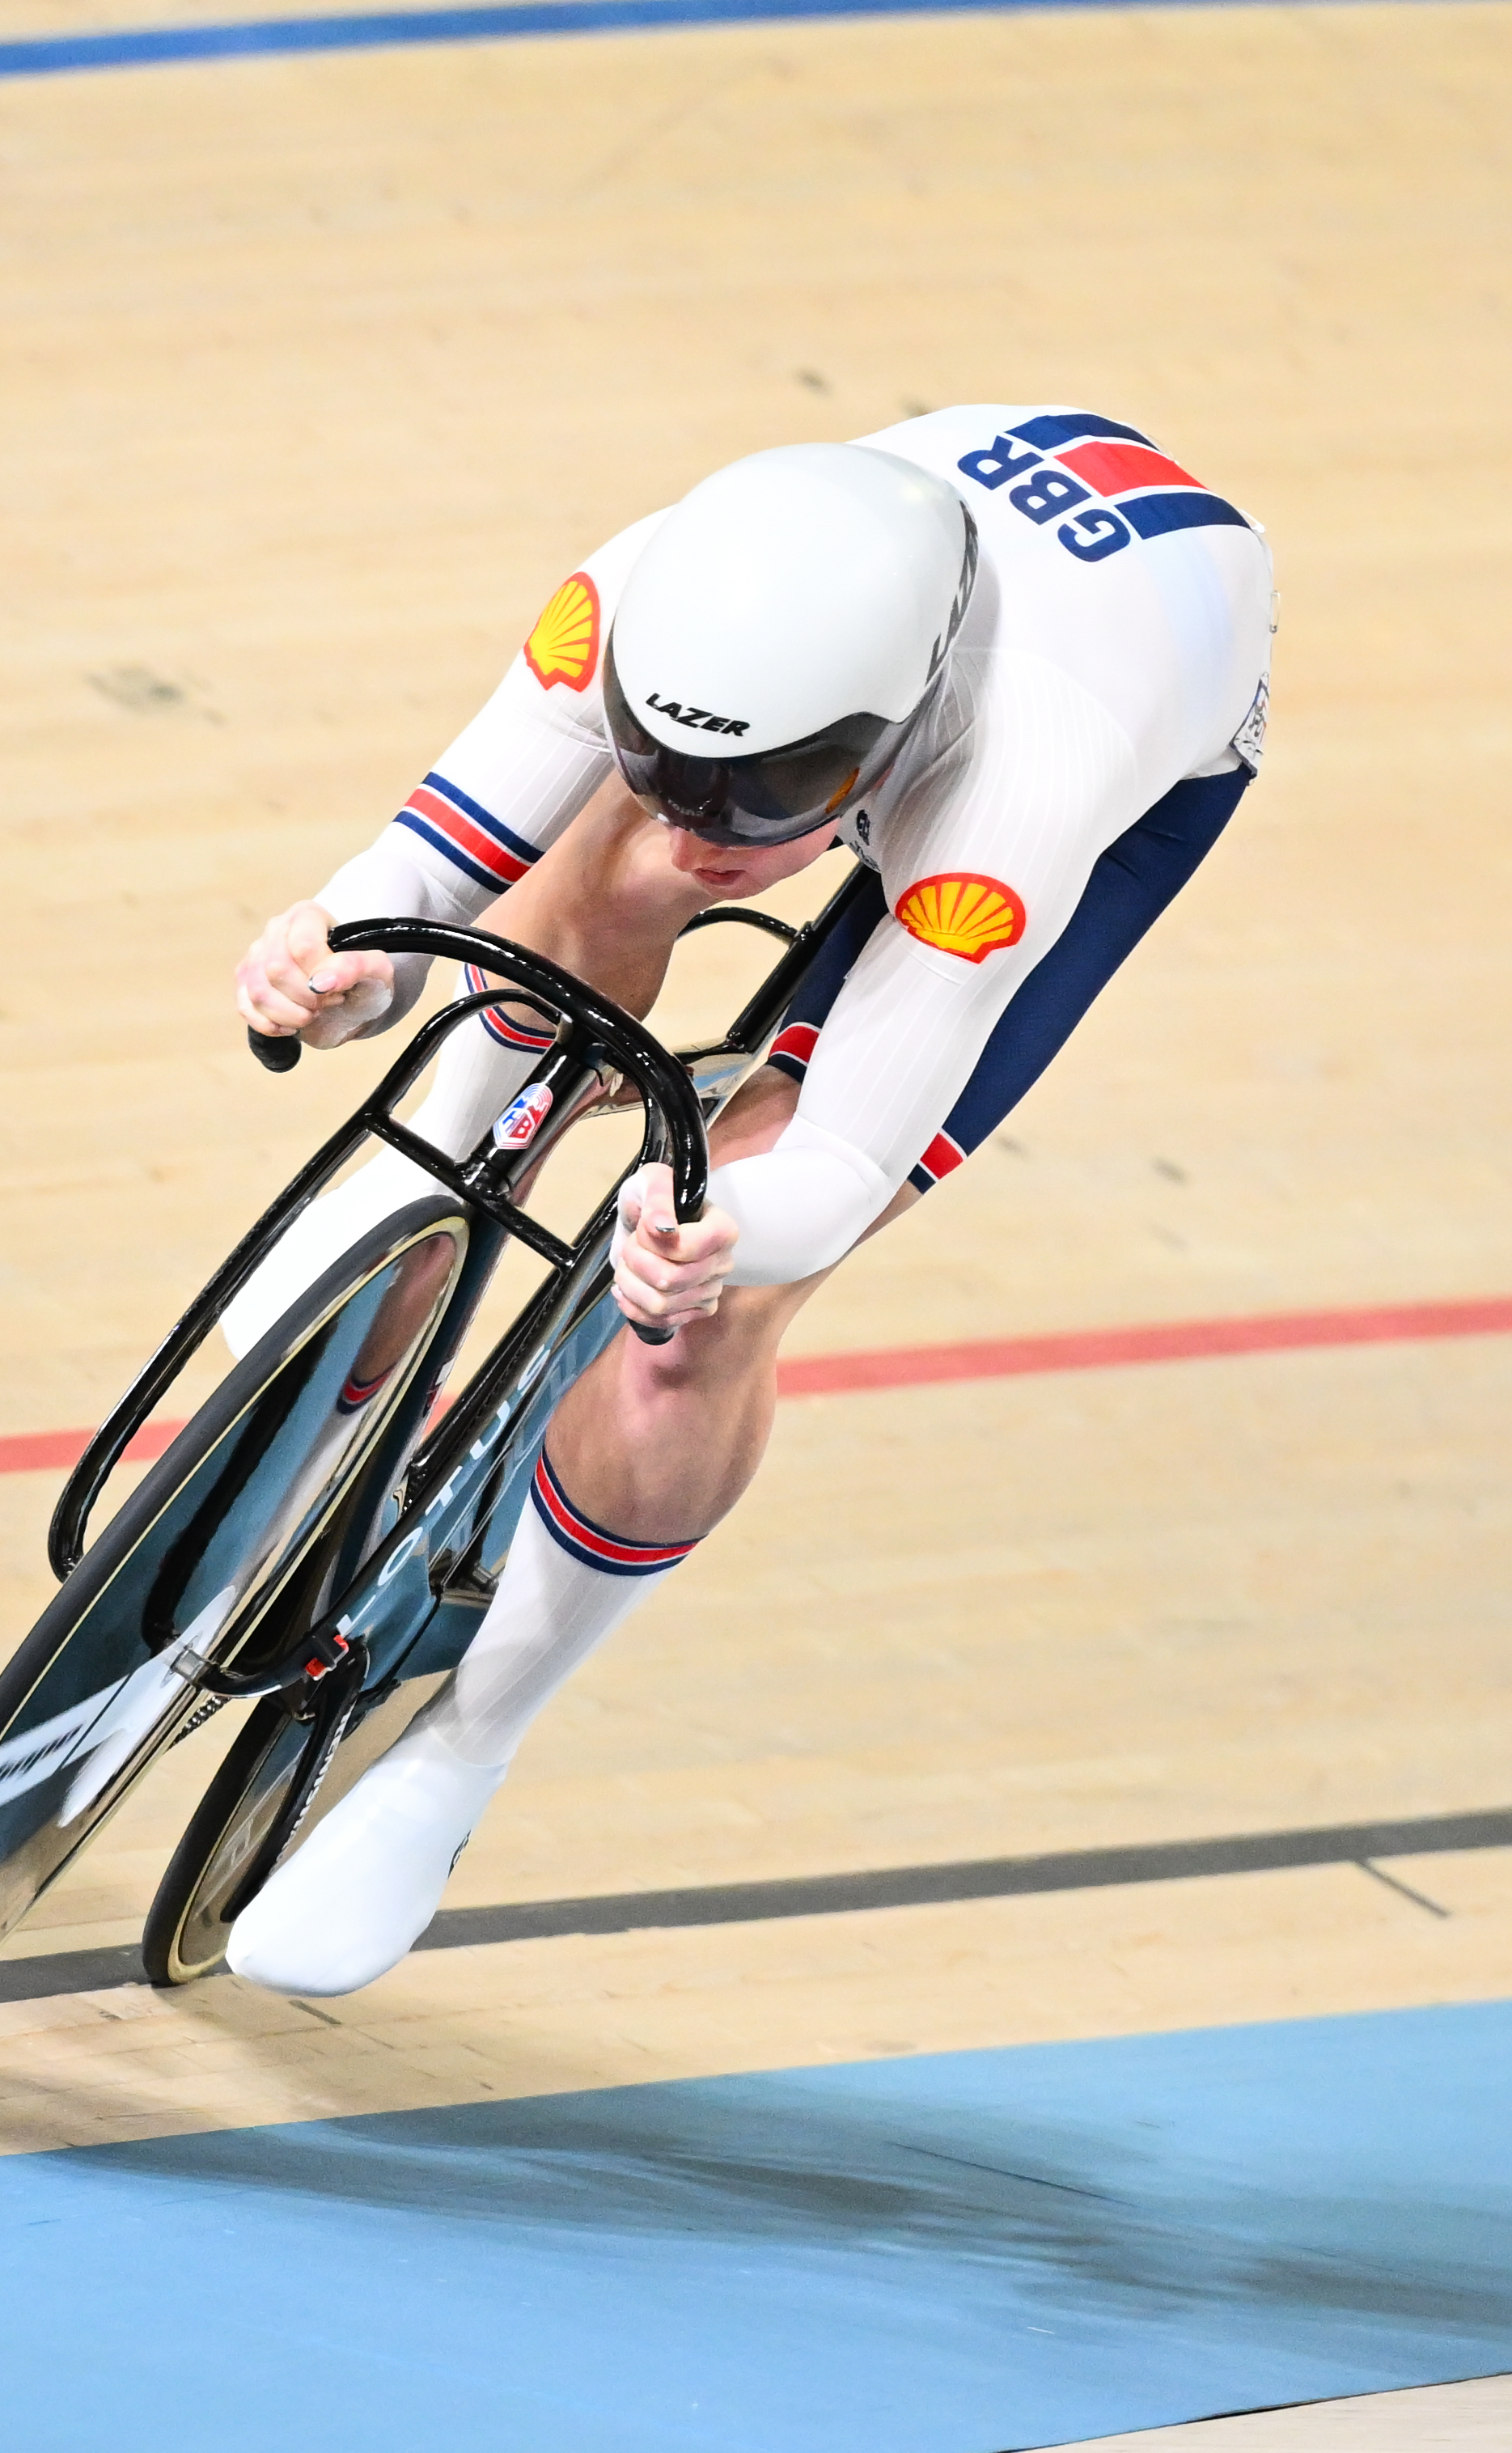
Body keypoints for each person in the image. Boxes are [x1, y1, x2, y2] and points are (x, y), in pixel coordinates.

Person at [221, 408, 1272, 1996]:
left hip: (1124, 748)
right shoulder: (631, 601)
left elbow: (839, 1167)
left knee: (706, 1320)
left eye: (767, 793)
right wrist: (334, 967)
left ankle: (462, 1749)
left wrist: (719, 1240)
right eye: (666, 767)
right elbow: (418, 873)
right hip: (889, 661)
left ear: (883, 736)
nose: (705, 828)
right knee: (595, 884)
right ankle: (436, 1173)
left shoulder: (1022, 783)